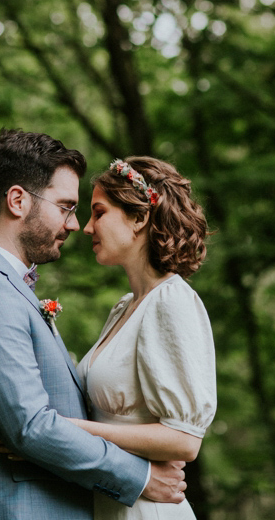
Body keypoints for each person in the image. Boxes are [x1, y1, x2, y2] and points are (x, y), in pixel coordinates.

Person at [0, 130, 187, 520]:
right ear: (18, 201)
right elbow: (31, 426)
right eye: (66, 206)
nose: (74, 224)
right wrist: (141, 477)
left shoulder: (7, 289)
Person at [67, 156, 217, 520]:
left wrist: (67, 432)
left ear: (139, 218)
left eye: (99, 213)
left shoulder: (172, 301)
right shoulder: (125, 307)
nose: (87, 228)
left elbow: (184, 440)